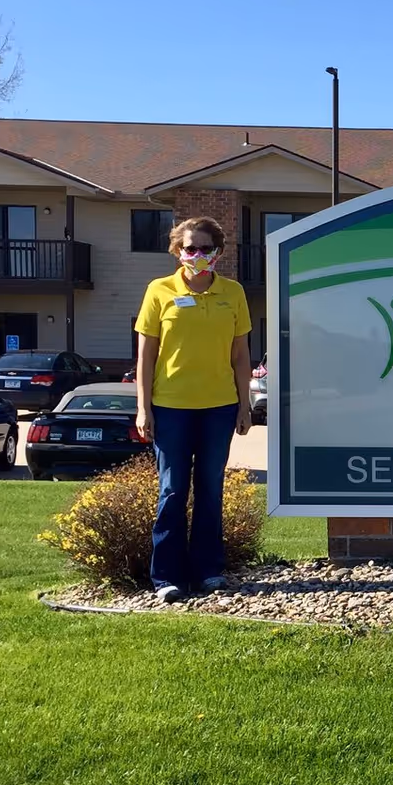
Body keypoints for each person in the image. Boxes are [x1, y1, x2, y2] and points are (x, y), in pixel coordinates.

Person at [133, 216, 252, 603]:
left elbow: (240, 355)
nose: (197, 255)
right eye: (189, 248)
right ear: (177, 251)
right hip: (171, 408)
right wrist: (143, 408)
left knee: (210, 489)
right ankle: (166, 577)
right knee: (172, 490)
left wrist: (244, 404)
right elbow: (146, 355)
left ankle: (208, 570)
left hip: (218, 407)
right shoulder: (159, 290)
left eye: (204, 248)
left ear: (217, 252)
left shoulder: (233, 293)